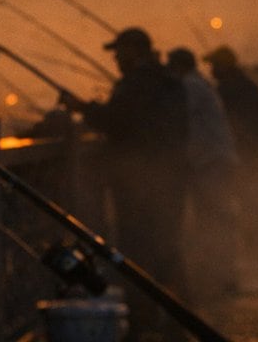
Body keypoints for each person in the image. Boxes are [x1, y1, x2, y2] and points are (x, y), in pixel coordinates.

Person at [62, 27, 188, 341]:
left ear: (134, 50)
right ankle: (176, 321)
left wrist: (82, 108)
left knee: (139, 255)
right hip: (170, 179)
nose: (116, 58)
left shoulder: (138, 83)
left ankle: (144, 323)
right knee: (168, 251)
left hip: (140, 187)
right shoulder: (168, 81)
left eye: (119, 51)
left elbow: (118, 120)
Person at [165, 46, 239, 297]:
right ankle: (221, 275)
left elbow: (175, 114)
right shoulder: (200, 84)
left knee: (214, 218)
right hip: (214, 161)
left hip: (212, 163)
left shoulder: (190, 86)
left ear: (177, 67)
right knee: (216, 217)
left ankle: (221, 277)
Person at [204, 45, 258, 282]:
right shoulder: (247, 86)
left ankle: (248, 262)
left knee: (242, 210)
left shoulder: (230, 89)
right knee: (253, 208)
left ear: (225, 66)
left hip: (243, 158)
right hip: (252, 158)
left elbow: (233, 125)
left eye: (214, 65)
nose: (211, 70)